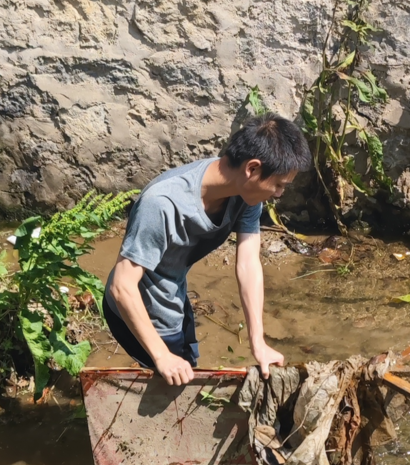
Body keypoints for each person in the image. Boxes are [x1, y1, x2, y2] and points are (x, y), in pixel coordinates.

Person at [103, 113, 311, 386]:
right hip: (138, 308)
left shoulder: (247, 194)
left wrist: (257, 342)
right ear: (252, 169)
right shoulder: (162, 204)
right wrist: (162, 356)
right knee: (177, 385)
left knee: (188, 366)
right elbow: (122, 286)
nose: (279, 194)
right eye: (279, 185)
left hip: (174, 290)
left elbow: (249, 264)